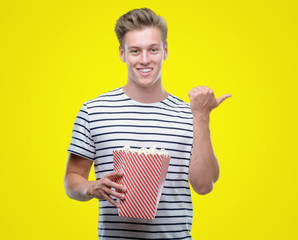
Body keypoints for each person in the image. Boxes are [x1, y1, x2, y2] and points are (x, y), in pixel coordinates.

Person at [64, 8, 232, 239]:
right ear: (122, 54)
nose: (144, 60)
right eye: (135, 51)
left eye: (153, 49)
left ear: (165, 51)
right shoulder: (94, 111)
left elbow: (204, 186)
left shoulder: (189, 114)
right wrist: (91, 187)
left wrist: (201, 116)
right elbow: (72, 178)